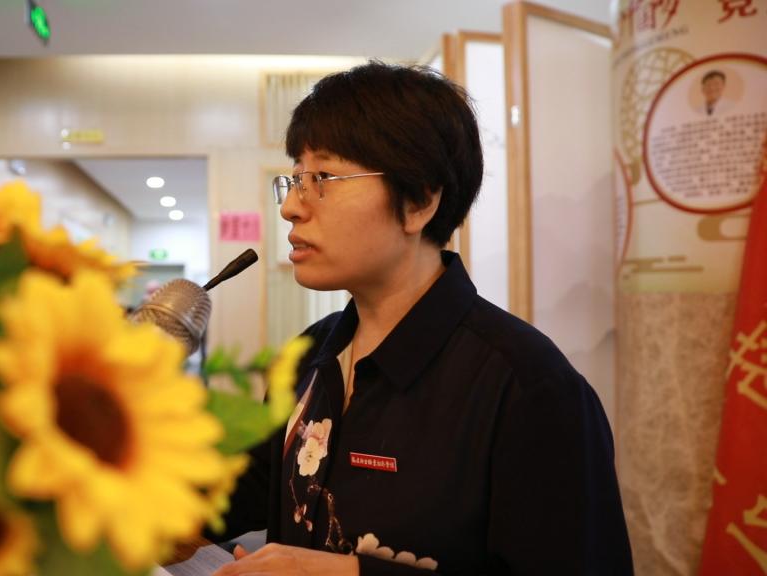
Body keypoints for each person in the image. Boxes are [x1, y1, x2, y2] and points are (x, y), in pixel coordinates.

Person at [210, 61, 633, 575]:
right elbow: (242, 493)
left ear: (419, 201)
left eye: (322, 177)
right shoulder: (309, 356)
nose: (291, 208)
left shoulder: (528, 385)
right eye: (295, 178)